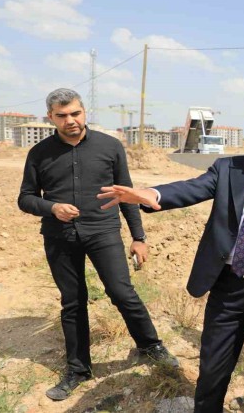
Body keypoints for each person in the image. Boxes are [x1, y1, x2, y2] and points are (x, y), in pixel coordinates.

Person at [97, 101, 244, 413]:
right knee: (213, 369)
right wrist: (152, 195)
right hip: (228, 285)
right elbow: (192, 188)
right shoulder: (228, 168)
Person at [18, 88, 177, 401]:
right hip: (59, 236)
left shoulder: (110, 146)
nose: (70, 120)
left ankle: (150, 346)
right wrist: (52, 207)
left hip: (103, 232)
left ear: (84, 112)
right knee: (73, 301)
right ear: (51, 117)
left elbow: (126, 194)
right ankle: (78, 370)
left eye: (75, 113)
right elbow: (25, 198)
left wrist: (139, 237)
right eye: (62, 115)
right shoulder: (39, 153)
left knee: (122, 291)